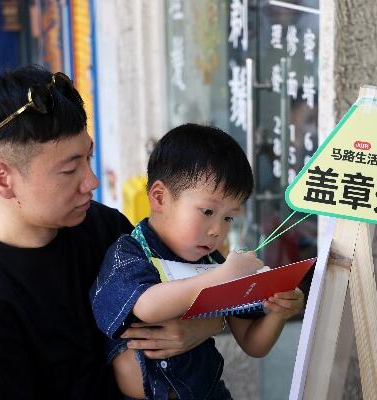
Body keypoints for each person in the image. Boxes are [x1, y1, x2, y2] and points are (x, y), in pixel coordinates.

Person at [0, 65, 224, 399]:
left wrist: (200, 328)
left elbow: (192, 300)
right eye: (69, 169)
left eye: (88, 158)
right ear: (2, 179)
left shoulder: (104, 227)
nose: (91, 181)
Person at [90, 124, 305, 399]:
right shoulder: (129, 251)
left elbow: (254, 344)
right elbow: (147, 305)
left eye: (229, 217)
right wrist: (222, 277)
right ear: (159, 197)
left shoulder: (215, 262)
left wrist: (278, 312)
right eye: (207, 211)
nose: (218, 229)